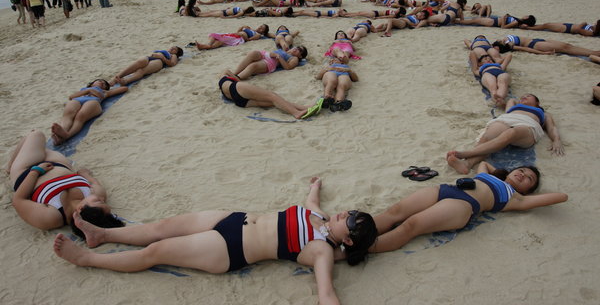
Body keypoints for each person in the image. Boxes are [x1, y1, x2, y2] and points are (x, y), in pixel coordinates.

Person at [53, 177, 377, 304]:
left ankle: (87, 259)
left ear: (347, 241)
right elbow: (310, 204)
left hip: (230, 250)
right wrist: (314, 188)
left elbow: (327, 293)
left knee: (156, 251)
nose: (343, 214)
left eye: (349, 221)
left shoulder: (321, 251)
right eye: (351, 212)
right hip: (233, 219)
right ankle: (102, 235)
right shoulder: (320, 218)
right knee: (161, 227)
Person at [370, 161, 568, 253]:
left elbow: (562, 196)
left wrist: (520, 187)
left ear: (528, 190)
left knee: (411, 225)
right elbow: (484, 163)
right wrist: (501, 173)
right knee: (394, 212)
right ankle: (355, 232)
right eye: (521, 170)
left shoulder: (515, 198)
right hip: (447, 189)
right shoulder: (487, 174)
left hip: (464, 205)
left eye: (528, 179)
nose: (523, 174)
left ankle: (359, 249)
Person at [6, 130, 123, 231]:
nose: (102, 199)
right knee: (38, 145)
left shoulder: (52, 216)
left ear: (81, 209)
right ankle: (57, 138)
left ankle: (10, 166)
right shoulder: (95, 196)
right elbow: (94, 183)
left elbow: (18, 201)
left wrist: (35, 172)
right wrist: (85, 175)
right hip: (60, 164)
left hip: (26, 170)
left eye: (99, 202)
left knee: (36, 135)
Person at [446, 94, 564, 174]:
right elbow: (509, 103)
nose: (524, 97)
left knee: (510, 133)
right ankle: (467, 163)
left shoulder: (544, 113)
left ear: (537, 103)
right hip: (508, 119)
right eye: (523, 96)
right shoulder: (514, 105)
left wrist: (556, 140)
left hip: (528, 125)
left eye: (529, 96)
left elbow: (552, 127)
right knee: (487, 137)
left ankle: (466, 153)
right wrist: (503, 102)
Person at [50, 79, 128, 145]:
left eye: (104, 84)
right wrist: (89, 90)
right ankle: (60, 135)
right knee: (68, 115)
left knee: (80, 116)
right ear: (91, 83)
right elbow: (71, 97)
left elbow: (124, 88)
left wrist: (107, 89)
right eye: (99, 81)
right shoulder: (84, 89)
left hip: (93, 101)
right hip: (77, 100)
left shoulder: (104, 92)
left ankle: (67, 135)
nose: (101, 83)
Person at [109, 47, 184, 86]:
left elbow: (172, 64)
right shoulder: (163, 50)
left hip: (159, 61)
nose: (172, 48)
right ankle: (116, 78)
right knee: (140, 62)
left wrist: (162, 58)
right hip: (150, 57)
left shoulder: (173, 55)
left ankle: (125, 81)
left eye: (175, 49)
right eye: (172, 47)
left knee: (141, 70)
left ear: (176, 53)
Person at [227, 46, 308, 80]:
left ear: (300, 56)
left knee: (253, 66)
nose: (296, 49)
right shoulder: (287, 50)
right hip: (266, 54)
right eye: (297, 47)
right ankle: (235, 73)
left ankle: (236, 78)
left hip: (271, 62)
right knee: (253, 53)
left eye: (299, 51)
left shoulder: (295, 58)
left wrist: (279, 57)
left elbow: (288, 67)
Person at [492, 34, 600, 57]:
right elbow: (526, 49)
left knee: (567, 45)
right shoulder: (509, 45)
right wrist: (543, 53)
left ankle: (593, 52)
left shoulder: (503, 40)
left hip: (538, 39)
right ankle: (593, 53)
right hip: (536, 45)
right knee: (566, 49)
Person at [195, 25, 270, 50]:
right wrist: (242, 28)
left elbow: (249, 40)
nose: (259, 28)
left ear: (263, 32)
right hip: (235, 35)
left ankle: (205, 46)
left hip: (239, 38)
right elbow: (238, 30)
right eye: (260, 26)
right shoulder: (251, 29)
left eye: (262, 29)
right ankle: (207, 45)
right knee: (216, 36)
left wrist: (243, 35)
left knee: (221, 40)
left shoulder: (258, 34)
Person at [521, 20, 600, 37]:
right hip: (568, 25)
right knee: (546, 25)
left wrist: (583, 23)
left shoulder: (591, 32)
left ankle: (528, 28)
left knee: (547, 25)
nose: (595, 23)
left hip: (567, 29)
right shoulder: (592, 28)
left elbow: (579, 30)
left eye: (597, 24)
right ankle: (531, 26)